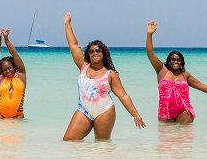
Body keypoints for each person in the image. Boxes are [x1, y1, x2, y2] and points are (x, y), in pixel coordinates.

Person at [62, 13, 146, 141]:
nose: (95, 53)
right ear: (88, 55)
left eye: (98, 51)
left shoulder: (110, 74)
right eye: (91, 51)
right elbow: (73, 45)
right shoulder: (83, 65)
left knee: (102, 146)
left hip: (105, 111)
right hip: (83, 110)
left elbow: (123, 96)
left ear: (103, 53)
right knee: (69, 140)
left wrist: (136, 115)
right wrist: (67, 24)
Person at [145, 20, 207, 123]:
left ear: (182, 62)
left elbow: (201, 86)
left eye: (178, 60)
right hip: (165, 112)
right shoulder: (161, 70)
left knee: (184, 137)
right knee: (166, 138)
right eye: (173, 59)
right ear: (169, 61)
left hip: (184, 111)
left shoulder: (185, 75)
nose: (176, 61)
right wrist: (149, 35)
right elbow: (150, 53)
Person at [0, 29, 27, 119]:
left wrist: (6, 40)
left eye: (10, 68)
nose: (8, 71)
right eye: (5, 69)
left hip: (17, 116)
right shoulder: (1, 78)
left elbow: (14, 54)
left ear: (14, 67)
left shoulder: (21, 76)